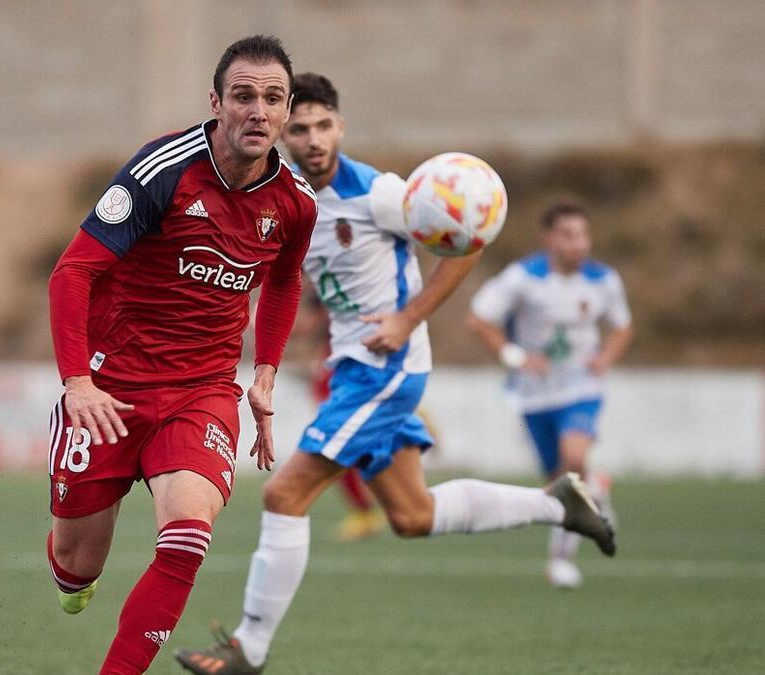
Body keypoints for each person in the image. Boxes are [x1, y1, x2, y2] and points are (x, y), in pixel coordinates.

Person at [174, 73, 615, 675]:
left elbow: (468, 243)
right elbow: (303, 281)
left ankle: (248, 649)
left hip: (384, 368)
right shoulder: (288, 198)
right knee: (412, 517)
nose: (312, 139)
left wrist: (408, 318)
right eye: (298, 128)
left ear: (340, 127)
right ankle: (559, 505)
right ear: (280, 131)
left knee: (284, 493)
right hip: (354, 363)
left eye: (323, 125)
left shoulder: (379, 194)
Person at [44, 35, 318, 675]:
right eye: (243, 96)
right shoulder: (162, 170)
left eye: (272, 99)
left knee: (189, 533)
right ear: (216, 102)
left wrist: (267, 372)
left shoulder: (296, 202)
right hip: (111, 389)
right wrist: (77, 383)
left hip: (203, 391)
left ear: (286, 110)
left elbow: (283, 281)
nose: (258, 111)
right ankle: (71, 572)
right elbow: (72, 275)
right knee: (76, 567)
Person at [467, 201, 633, 588]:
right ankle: (597, 490)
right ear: (549, 239)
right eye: (568, 234)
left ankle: (560, 560)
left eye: (583, 235)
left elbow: (622, 327)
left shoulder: (603, 280)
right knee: (556, 480)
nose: (578, 243)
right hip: (533, 396)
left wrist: (605, 357)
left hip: (581, 390)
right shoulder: (523, 278)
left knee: (572, 461)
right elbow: (479, 319)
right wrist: (515, 356)